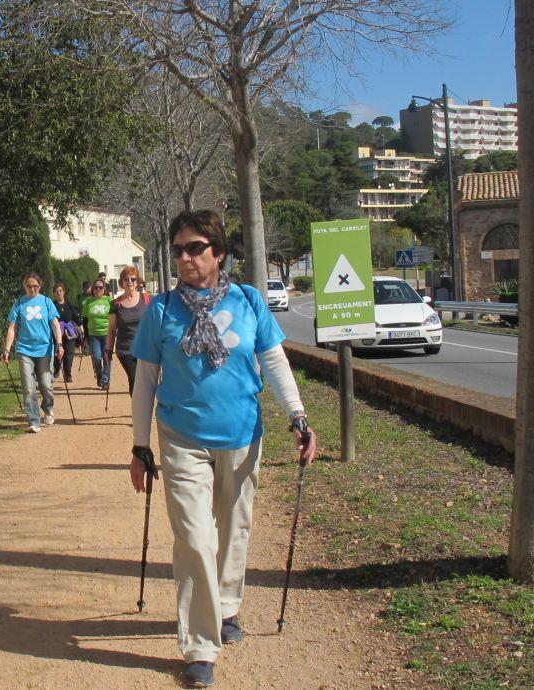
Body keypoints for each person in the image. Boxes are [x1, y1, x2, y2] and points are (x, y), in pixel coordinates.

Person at [128, 210, 317, 688]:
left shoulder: (249, 301)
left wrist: (297, 417)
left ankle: (227, 606)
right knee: (195, 539)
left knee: (234, 530)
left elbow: (273, 362)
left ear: (219, 252)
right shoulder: (163, 310)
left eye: (195, 248)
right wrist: (139, 445)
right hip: (181, 439)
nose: (185, 258)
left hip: (241, 435)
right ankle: (199, 645)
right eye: (178, 250)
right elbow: (146, 382)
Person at [1, 273, 64, 433]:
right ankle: (34, 420)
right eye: (29, 286)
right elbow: (12, 328)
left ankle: (48, 407)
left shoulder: (46, 302)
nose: (32, 289)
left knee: (45, 383)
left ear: (40, 286)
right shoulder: (19, 303)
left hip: (44, 349)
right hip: (24, 350)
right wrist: (7, 350)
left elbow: (55, 325)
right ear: (25, 286)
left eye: (35, 286)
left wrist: (59, 344)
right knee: (29, 387)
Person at [103, 266, 148, 396]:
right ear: (122, 282)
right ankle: (137, 409)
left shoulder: (147, 299)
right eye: (126, 279)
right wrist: (108, 350)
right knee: (134, 377)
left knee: (145, 380)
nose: (130, 282)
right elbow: (111, 330)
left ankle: (143, 407)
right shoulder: (116, 304)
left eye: (133, 279)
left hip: (145, 348)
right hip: (125, 349)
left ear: (137, 281)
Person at [81, 277, 113, 390]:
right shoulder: (87, 302)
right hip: (93, 335)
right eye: (96, 288)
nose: (98, 289)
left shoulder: (109, 301)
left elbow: (114, 318)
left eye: (100, 287)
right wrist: (85, 337)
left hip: (107, 333)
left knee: (107, 357)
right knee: (97, 357)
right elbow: (84, 320)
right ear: (92, 289)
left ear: (104, 289)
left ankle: (105, 380)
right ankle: (99, 375)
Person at [51, 281, 82, 383]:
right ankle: (56, 368)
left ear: (64, 292)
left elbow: (77, 319)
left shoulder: (69, 305)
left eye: (60, 290)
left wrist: (82, 331)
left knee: (69, 355)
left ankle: (68, 375)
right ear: (54, 293)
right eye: (56, 291)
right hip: (56, 334)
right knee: (57, 355)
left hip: (69, 334)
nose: (58, 293)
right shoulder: (52, 305)